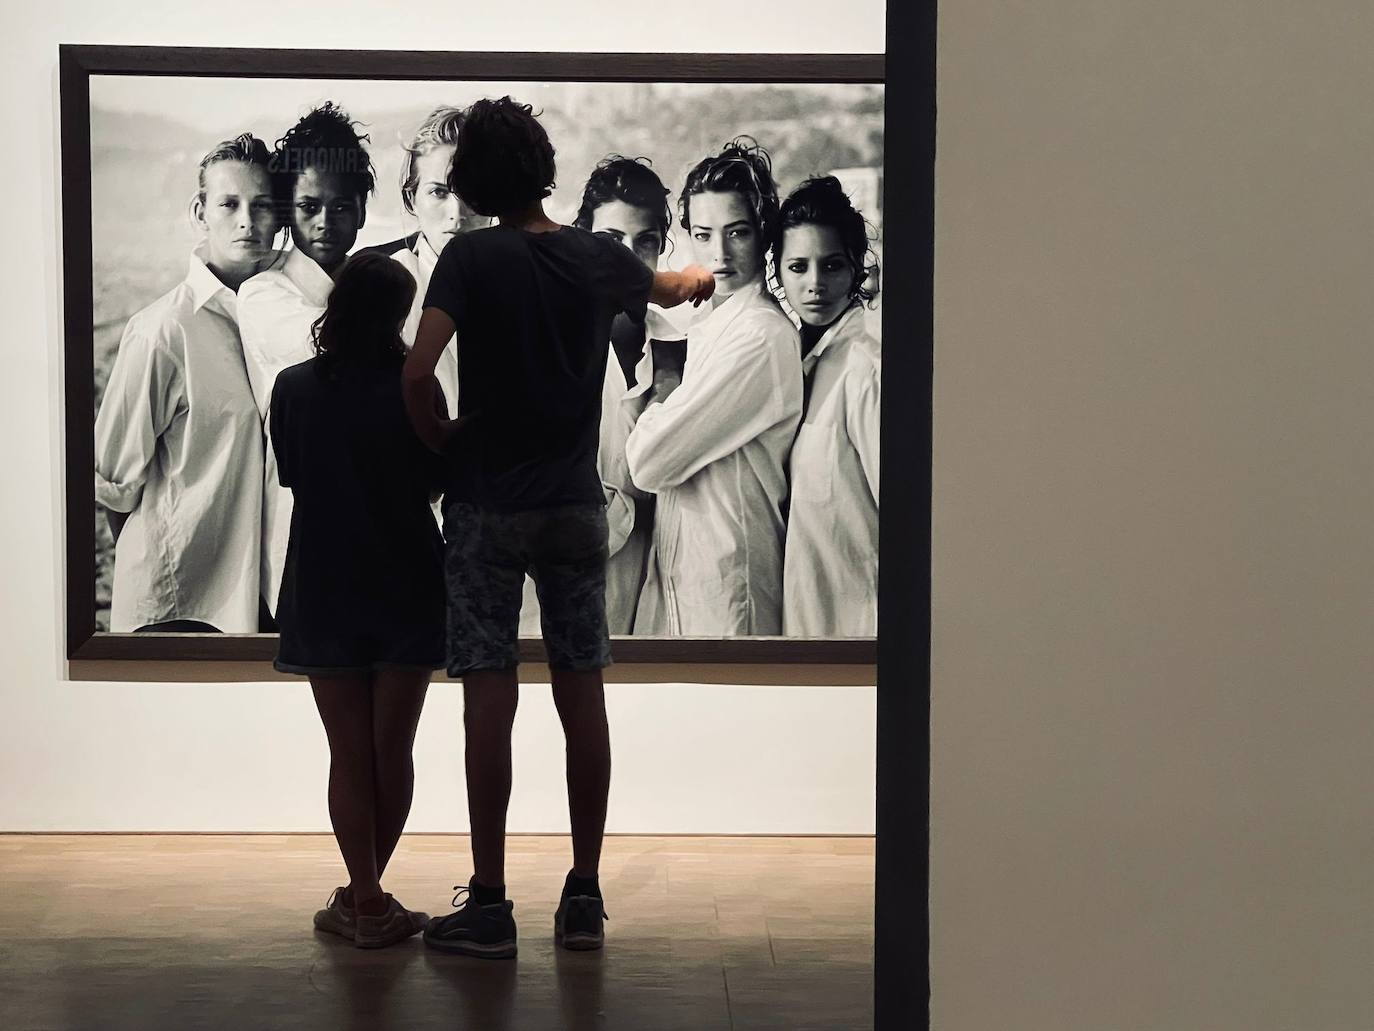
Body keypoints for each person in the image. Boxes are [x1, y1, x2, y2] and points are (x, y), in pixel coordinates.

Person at [401, 96, 714, 958]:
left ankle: (492, 900)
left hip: (485, 509)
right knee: (585, 701)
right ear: (545, 171)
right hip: (575, 505)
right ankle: (582, 893)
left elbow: (419, 371)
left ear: (469, 183)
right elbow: (677, 289)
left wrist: (444, 438)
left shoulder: (467, 258)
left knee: (486, 708)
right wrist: (702, 278)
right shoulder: (594, 257)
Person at [270, 252, 447, 949]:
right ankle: (368, 897)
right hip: (407, 577)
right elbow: (438, 478)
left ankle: (364, 898)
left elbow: (293, 475)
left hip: (323, 579)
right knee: (391, 748)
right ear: (400, 314)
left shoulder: (292, 387)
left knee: (347, 752)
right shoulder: (418, 388)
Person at [94, 134, 275, 632]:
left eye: (262, 205)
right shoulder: (162, 330)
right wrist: (173, 564)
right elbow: (113, 485)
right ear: (200, 212)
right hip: (177, 605)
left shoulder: (284, 326)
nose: (247, 220)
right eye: (229, 204)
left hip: (256, 606)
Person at [624, 137, 802, 636]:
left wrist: (665, 389)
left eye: (738, 233)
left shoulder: (762, 337)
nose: (720, 254)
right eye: (703, 235)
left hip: (731, 581)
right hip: (683, 574)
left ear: (763, 234)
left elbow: (649, 461)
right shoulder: (707, 329)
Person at [238, 102, 375, 623]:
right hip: (305, 531)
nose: (324, 222)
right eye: (309, 206)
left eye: (341, 207)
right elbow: (334, 353)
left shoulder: (375, 285)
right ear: (287, 211)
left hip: (382, 533)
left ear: (361, 210)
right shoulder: (264, 294)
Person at [774, 176, 881, 636]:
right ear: (776, 271)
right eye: (798, 267)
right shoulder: (791, 362)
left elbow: (906, 518)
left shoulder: (866, 369)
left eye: (832, 265)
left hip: (861, 630)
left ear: (858, 268)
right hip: (805, 628)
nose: (815, 284)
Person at [363, 105, 490, 414]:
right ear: (411, 199)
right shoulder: (379, 292)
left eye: (472, 192)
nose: (457, 214)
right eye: (439, 192)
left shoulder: (528, 283)